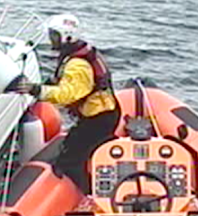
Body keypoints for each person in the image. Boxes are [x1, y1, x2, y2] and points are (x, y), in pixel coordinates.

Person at [11, 13, 121, 194]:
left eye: (54, 35)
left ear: (67, 37)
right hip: (102, 113)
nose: (51, 40)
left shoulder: (77, 64)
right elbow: (63, 82)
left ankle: (84, 194)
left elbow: (67, 94)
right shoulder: (77, 55)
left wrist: (37, 90)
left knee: (70, 160)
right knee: (83, 147)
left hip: (99, 118)